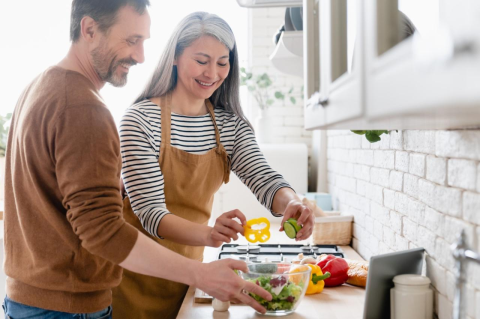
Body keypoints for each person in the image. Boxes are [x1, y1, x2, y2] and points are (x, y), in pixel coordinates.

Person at [3, 1, 272, 318]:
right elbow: (103, 230)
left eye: (143, 41)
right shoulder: (84, 109)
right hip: (68, 306)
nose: (141, 56)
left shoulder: (42, 88)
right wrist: (202, 274)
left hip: (32, 298)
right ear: (89, 29)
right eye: (131, 40)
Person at [113, 11, 315, 319]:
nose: (212, 72)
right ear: (176, 57)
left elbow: (264, 177)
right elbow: (151, 214)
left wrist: (292, 203)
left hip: (190, 279)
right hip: (131, 281)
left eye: (223, 62)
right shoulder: (140, 120)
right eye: (202, 60)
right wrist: (210, 234)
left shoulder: (230, 126)